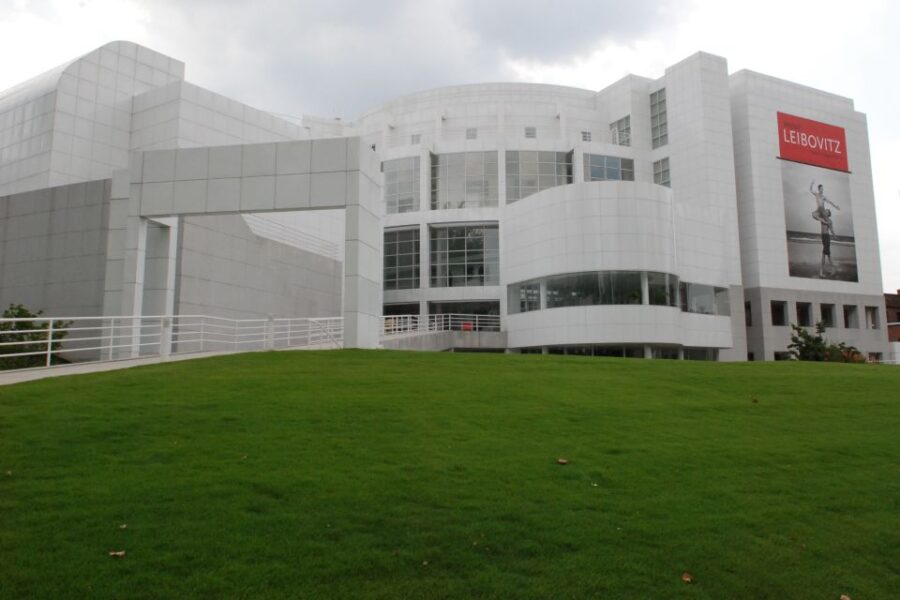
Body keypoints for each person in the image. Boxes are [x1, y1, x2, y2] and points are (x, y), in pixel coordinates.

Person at [819, 209, 836, 278]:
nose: (825, 212)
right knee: (828, 255)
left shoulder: (829, 221)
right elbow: (816, 214)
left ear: (829, 214)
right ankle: (833, 270)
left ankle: (821, 272)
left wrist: (834, 235)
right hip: (823, 237)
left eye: (827, 212)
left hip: (826, 237)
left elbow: (831, 229)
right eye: (825, 211)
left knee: (824, 254)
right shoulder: (822, 219)